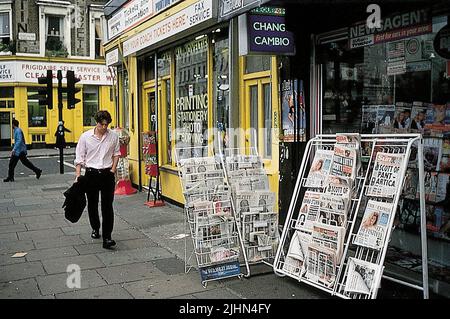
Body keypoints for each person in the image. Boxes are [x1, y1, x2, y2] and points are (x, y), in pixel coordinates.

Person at [74, 110, 121, 249]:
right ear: (97, 122)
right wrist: (78, 176)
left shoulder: (113, 136)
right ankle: (95, 228)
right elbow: (79, 157)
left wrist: (112, 170)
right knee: (92, 204)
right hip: (91, 174)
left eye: (107, 125)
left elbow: (116, 153)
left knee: (107, 206)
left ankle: (107, 237)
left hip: (107, 174)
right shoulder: (86, 137)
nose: (105, 127)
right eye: (102, 125)